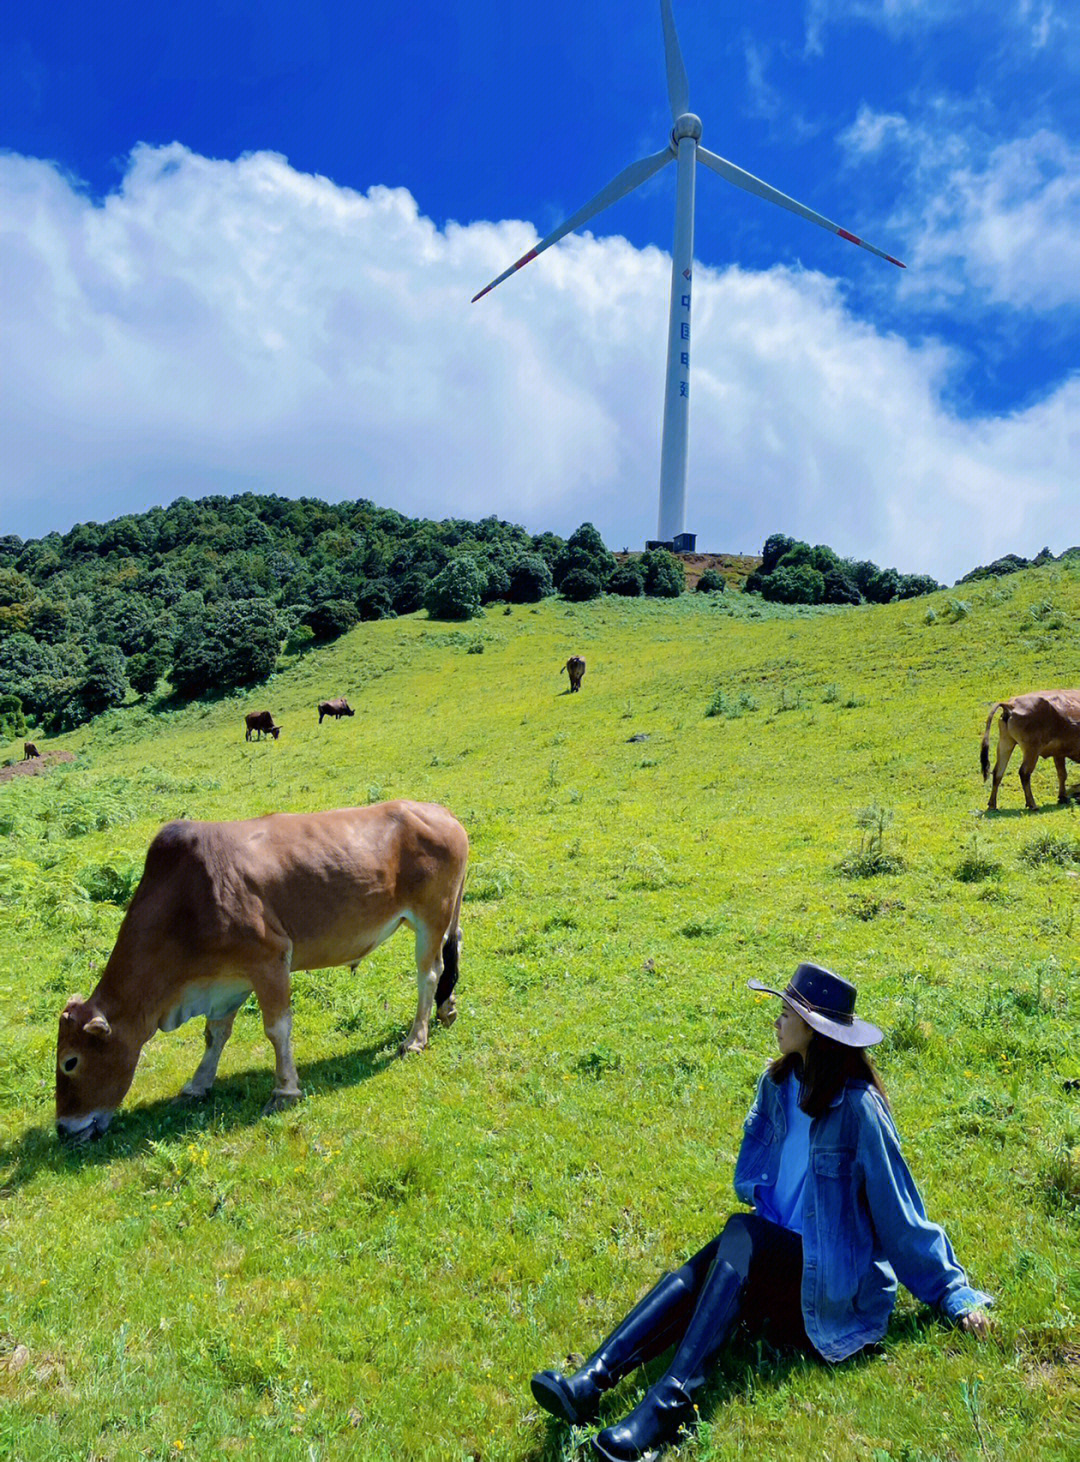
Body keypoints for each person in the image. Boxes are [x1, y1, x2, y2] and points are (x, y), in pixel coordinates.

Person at [530, 962, 993, 1462]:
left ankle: (663, 1410)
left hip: (829, 1293)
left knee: (742, 1234)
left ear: (814, 1029)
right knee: (719, 1255)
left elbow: (901, 1214)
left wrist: (954, 1294)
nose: (776, 1020)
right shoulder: (777, 1087)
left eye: (786, 1011)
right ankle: (590, 1382)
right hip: (779, 1274)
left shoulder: (858, 1110)